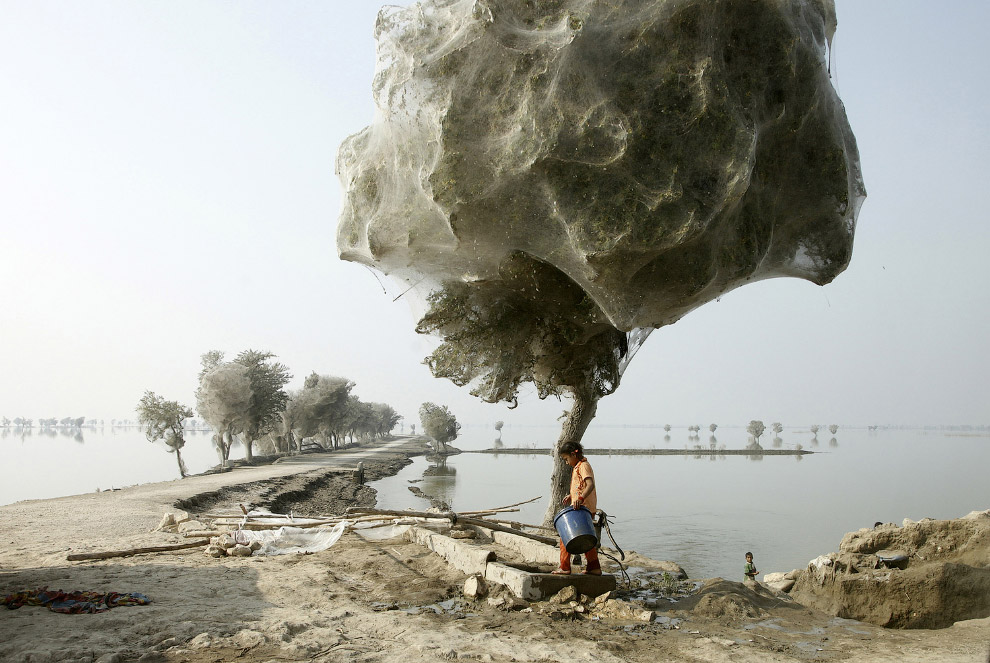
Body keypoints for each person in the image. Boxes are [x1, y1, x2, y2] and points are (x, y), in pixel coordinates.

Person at [553, 441, 601, 575]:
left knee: (565, 536)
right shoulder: (577, 467)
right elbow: (580, 486)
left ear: (574, 454)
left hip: (582, 508)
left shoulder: (584, 466)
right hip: (581, 507)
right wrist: (571, 495)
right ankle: (594, 567)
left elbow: (589, 485)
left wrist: (580, 498)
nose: (566, 462)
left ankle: (565, 567)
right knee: (586, 536)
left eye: (566, 459)